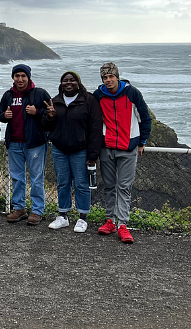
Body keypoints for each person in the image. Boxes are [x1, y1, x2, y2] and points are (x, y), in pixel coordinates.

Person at [93, 62, 151, 243]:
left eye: (111, 76)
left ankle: (123, 225)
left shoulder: (132, 93)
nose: (108, 80)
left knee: (124, 187)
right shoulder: (98, 95)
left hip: (128, 147)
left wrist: (142, 142)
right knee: (109, 186)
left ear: (117, 77)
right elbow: (92, 120)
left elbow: (145, 117)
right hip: (107, 147)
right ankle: (110, 220)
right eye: (105, 77)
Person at [40, 71, 103, 232]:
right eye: (65, 80)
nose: (69, 83)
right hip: (59, 149)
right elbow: (45, 127)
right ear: (61, 84)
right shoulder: (55, 101)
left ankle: (82, 218)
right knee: (63, 183)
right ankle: (63, 215)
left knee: (81, 184)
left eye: (72, 80)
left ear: (78, 82)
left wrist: (93, 155)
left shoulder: (89, 101)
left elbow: (95, 129)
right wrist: (51, 116)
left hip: (80, 150)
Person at [0, 64, 51, 225]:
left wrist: (38, 112)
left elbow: (52, 115)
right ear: (13, 77)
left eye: (23, 76)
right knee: (17, 177)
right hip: (14, 142)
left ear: (28, 77)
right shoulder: (8, 95)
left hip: (35, 143)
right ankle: (19, 208)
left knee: (36, 178)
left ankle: (37, 210)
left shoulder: (40, 93)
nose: (20, 79)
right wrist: (4, 116)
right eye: (17, 76)